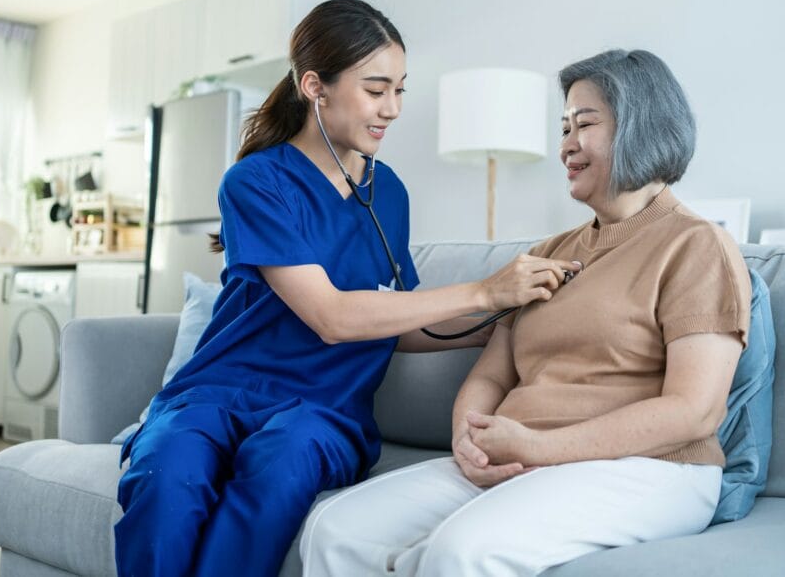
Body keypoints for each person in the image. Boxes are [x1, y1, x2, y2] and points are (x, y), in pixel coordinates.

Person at [113, 0, 578, 577]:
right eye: (376, 89)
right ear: (315, 86)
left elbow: (406, 323)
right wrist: (485, 290)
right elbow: (331, 317)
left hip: (322, 411)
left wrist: (509, 320)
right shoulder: (256, 182)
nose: (394, 109)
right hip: (221, 391)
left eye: (400, 91)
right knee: (169, 471)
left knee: (280, 464)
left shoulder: (391, 194)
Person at [301, 49, 752, 576]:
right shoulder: (548, 253)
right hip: (521, 456)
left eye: (584, 124)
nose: (565, 145)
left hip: (650, 466)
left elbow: (693, 410)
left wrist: (543, 446)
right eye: (563, 127)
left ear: (641, 127)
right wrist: (467, 436)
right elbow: (493, 372)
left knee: (463, 553)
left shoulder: (697, 246)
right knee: (336, 530)